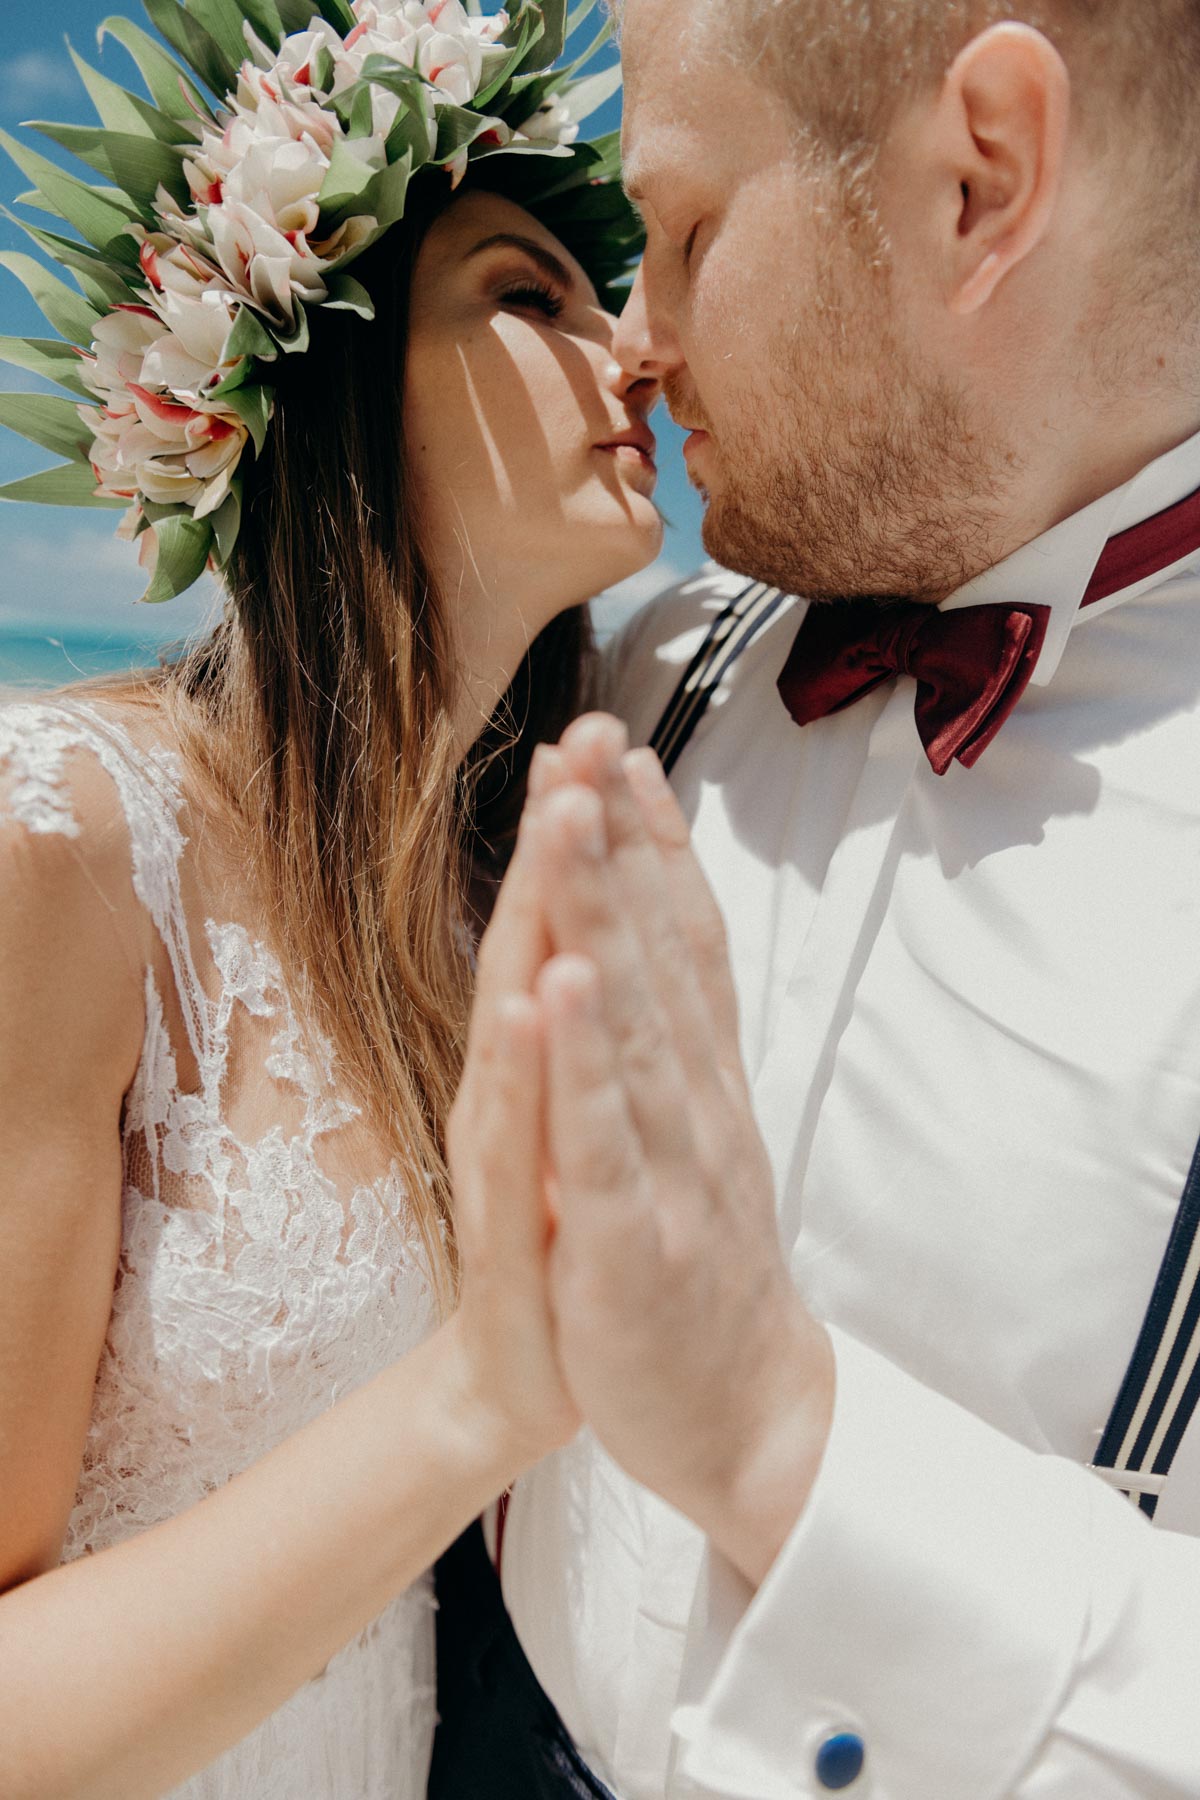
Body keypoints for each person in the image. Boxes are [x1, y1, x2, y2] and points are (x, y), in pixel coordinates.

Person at [441, 0, 1200, 1795]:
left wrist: (784, 1439)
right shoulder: (625, 659)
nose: (640, 339)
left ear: (980, 178)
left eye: (686, 231)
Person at [0, 3, 661, 1795]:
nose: (635, 355)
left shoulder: (484, 879)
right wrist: (490, 1397)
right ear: (325, 392)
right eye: (533, 298)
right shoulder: (68, 837)